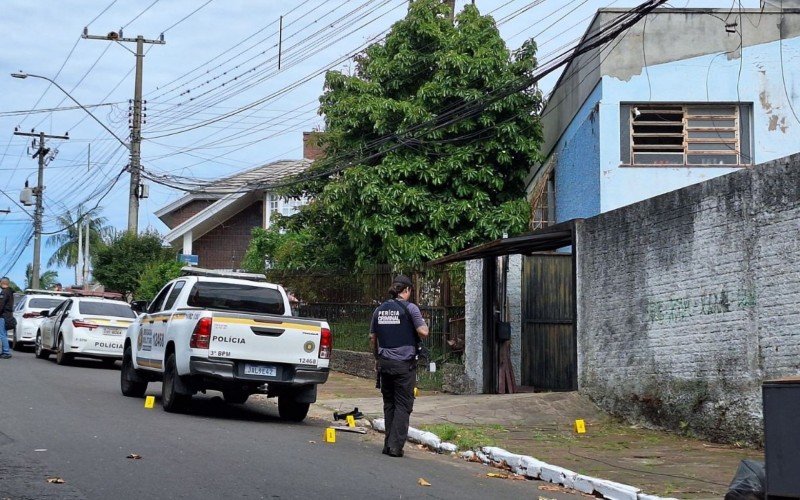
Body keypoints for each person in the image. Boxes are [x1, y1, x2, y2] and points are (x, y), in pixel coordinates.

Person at [370, 275, 429, 457]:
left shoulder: (379, 310)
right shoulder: (410, 308)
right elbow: (424, 332)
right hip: (404, 365)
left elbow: (373, 337)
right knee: (403, 405)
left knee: (389, 404)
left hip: (385, 364)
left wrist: (377, 359)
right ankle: (395, 447)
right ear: (407, 290)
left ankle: (388, 444)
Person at [0, 277, 14, 359]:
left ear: (2, 283)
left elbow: (1, 305)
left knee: (2, 335)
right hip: (8, 315)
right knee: (4, 334)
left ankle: (6, 352)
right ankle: (5, 351)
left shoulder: (4, 292)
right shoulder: (10, 291)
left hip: (3, 315)